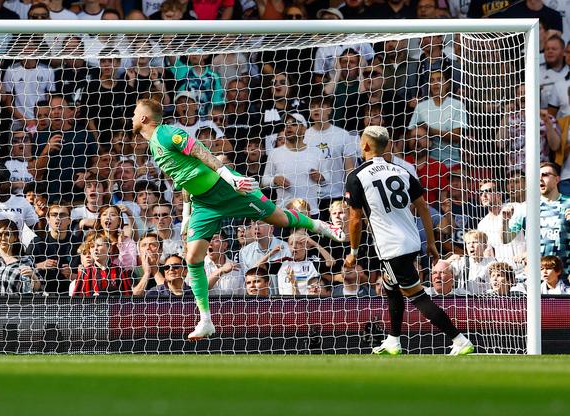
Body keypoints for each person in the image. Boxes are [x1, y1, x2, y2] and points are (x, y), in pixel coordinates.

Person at [131, 99, 344, 340]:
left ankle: (319, 225)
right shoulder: (153, 147)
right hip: (204, 203)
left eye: (135, 112)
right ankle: (205, 320)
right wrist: (187, 215)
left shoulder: (168, 133)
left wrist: (229, 177)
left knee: (281, 219)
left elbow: (201, 152)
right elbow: (183, 179)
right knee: (192, 257)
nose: (132, 116)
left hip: (226, 187)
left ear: (144, 119)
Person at [344, 125, 474, 356]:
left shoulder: (357, 176)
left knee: (416, 295)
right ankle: (393, 341)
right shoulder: (403, 171)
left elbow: (355, 220)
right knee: (390, 286)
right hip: (411, 241)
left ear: (364, 145)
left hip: (391, 247)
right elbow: (423, 207)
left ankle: (459, 339)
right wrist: (431, 242)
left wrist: (353, 251)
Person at [504, 162, 570, 269]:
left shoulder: (568, 203)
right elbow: (506, 239)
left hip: (565, 274)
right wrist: (504, 221)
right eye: (537, 176)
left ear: (557, 179)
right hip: (536, 275)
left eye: (545, 175)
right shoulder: (526, 207)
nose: (540, 179)